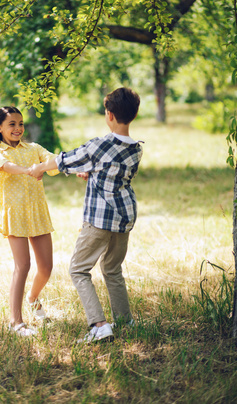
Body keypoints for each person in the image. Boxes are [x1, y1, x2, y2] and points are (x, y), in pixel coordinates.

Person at [29, 87, 143, 343]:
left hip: (100, 220)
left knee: (79, 270)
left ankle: (99, 326)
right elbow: (116, 174)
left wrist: (38, 168)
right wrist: (92, 173)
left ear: (110, 115)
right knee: (112, 268)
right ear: (132, 115)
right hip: (124, 217)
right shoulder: (136, 148)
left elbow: (63, 160)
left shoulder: (99, 145)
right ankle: (126, 321)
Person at [0, 106, 59, 337]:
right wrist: (30, 170)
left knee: (46, 268)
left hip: (37, 212)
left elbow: (54, 160)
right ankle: (16, 322)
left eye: (21, 124)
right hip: (14, 214)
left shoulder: (33, 148)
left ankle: (33, 297)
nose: (18, 129)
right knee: (23, 266)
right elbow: (5, 166)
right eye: (12, 124)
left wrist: (44, 166)